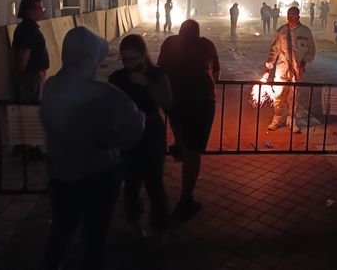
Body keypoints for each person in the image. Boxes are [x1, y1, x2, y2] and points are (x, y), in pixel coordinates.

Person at [40, 26, 145, 270]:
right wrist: (113, 142)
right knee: (94, 232)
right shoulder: (105, 94)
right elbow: (133, 128)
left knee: (61, 227)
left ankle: (52, 263)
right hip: (99, 174)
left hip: (61, 173)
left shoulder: (52, 86)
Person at [109, 34, 173, 240]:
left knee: (154, 182)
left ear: (143, 55)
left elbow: (168, 103)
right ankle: (134, 221)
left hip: (152, 133)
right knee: (131, 180)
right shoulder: (117, 78)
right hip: (127, 135)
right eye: (124, 59)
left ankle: (160, 227)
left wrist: (148, 84)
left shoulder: (157, 74)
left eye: (133, 59)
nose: (128, 64)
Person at [158, 20, 221, 216]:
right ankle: (186, 199)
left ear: (180, 31)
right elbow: (216, 72)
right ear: (198, 33)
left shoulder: (170, 42)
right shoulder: (207, 45)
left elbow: (160, 69)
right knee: (194, 154)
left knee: (175, 118)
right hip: (202, 103)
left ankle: (179, 142)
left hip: (174, 100)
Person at [265, 7, 316, 133]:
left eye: (293, 15)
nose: (290, 18)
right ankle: (277, 118)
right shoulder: (282, 31)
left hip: (297, 69)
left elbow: (311, 50)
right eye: (289, 15)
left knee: (294, 96)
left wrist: (304, 62)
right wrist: (269, 67)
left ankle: (291, 119)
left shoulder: (305, 32)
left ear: (298, 16)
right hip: (282, 68)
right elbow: (273, 50)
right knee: (279, 93)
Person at [12, 0, 49, 101]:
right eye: (40, 8)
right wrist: (19, 75)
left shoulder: (25, 27)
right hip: (32, 77)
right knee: (33, 105)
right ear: (30, 10)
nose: (43, 11)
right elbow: (24, 54)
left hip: (33, 76)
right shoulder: (29, 29)